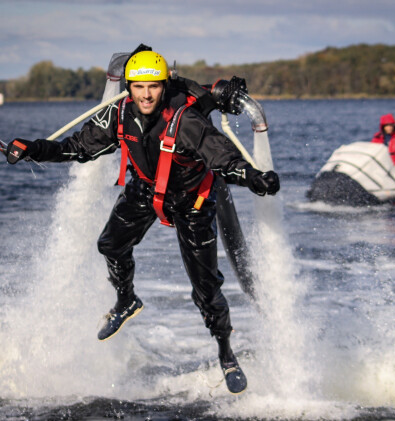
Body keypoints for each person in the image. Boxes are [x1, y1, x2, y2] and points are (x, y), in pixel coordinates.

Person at [5, 44, 280, 394]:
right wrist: (33, 149)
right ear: (129, 88)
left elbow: (222, 157)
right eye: (138, 86)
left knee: (207, 290)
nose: (146, 95)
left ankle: (226, 353)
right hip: (146, 191)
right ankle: (126, 300)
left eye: (153, 87)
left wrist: (254, 178)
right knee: (110, 244)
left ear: (164, 86)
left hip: (192, 202)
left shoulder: (187, 122)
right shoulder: (119, 115)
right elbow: (77, 146)